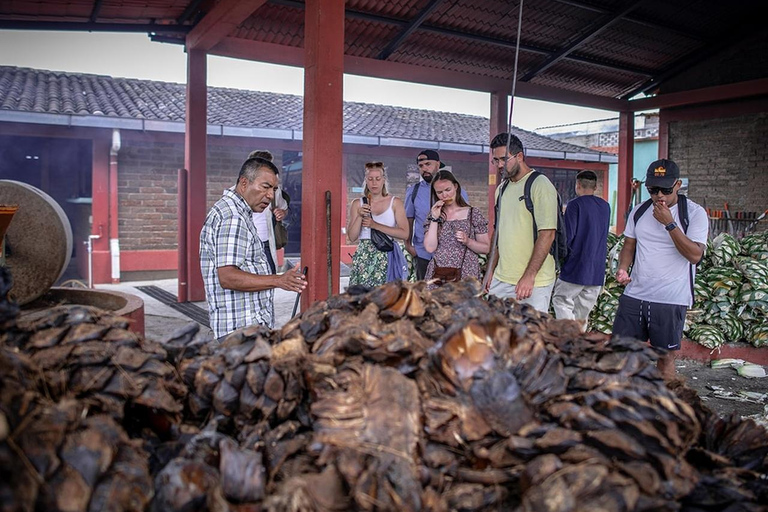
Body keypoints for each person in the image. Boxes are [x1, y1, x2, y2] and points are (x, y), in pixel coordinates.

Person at [612, 159, 708, 380]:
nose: (659, 195)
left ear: (678, 184)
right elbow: (629, 245)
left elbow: (695, 255)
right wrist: (623, 268)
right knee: (620, 354)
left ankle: (664, 407)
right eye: (653, 189)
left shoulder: (694, 213)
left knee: (664, 357)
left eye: (665, 189)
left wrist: (670, 223)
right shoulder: (639, 211)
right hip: (635, 294)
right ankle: (625, 404)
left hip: (670, 297)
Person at [200, 156, 307, 341]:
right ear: (244, 183)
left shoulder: (238, 211)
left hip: (246, 327)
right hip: (241, 330)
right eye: (265, 187)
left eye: (273, 189)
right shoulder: (233, 217)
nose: (271, 195)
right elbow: (227, 277)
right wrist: (279, 280)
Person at [483, 133, 558, 313]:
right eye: (495, 160)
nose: (499, 165)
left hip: (534, 283)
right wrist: (490, 270)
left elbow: (547, 234)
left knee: (530, 337)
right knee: (495, 333)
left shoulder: (540, 184)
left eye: (504, 159)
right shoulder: (502, 189)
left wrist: (529, 276)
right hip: (501, 279)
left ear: (520, 156)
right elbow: (498, 232)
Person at [552, 170, 611, 326]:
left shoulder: (574, 205)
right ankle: (577, 343)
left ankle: (570, 339)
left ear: (577, 185)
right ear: (596, 186)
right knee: (581, 313)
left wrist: (560, 260)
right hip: (597, 271)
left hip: (576, 266)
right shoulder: (605, 206)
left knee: (561, 300)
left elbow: (567, 237)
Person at [404, 149, 467, 280]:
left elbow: (465, 219)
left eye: (428, 164)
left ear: (438, 164)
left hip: (451, 255)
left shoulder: (457, 191)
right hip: (423, 254)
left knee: (449, 296)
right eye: (421, 166)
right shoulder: (413, 191)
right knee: (424, 295)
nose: (424, 169)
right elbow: (408, 219)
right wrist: (408, 245)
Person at [347, 161, 409, 287]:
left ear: (383, 180)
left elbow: (405, 233)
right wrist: (359, 215)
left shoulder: (395, 202)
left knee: (385, 298)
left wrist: (375, 225)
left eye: (377, 179)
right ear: (366, 180)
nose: (374, 183)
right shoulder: (357, 203)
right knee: (361, 299)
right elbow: (352, 237)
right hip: (364, 256)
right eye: (370, 179)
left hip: (386, 254)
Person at [423, 170, 490, 286]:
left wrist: (468, 241)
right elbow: (430, 248)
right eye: (439, 192)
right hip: (439, 273)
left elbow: (486, 248)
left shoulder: (473, 213)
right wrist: (434, 218)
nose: (445, 195)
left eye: (448, 190)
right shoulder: (434, 214)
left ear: (456, 187)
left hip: (466, 272)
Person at [247, 150, 289, 274]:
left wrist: (281, 213)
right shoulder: (239, 189)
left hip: (266, 242)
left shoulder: (275, 190)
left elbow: (284, 208)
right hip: (245, 243)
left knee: (270, 277)